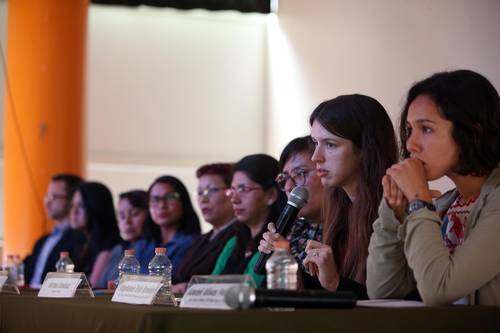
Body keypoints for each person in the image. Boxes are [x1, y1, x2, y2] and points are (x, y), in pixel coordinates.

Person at [367, 70, 500, 305]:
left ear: (470, 131)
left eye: (426, 129)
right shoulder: (446, 204)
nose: (410, 145)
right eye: (409, 130)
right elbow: (383, 291)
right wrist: (393, 211)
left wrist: (419, 201)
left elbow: (438, 289)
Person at [303, 94, 398, 298]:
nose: (315, 157)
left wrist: (335, 282)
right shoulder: (340, 206)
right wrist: (286, 263)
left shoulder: (395, 210)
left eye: (330, 144)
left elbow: (392, 303)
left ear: (366, 148)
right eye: (315, 143)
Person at [257, 136, 325, 289]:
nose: (288, 187)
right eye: (285, 178)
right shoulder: (292, 228)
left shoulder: (351, 227)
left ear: (326, 171)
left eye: (300, 173)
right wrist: (280, 255)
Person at [212, 154, 287, 287]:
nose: (234, 199)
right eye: (233, 190)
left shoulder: (278, 241)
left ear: (271, 195)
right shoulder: (234, 243)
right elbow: (210, 287)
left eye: (244, 189)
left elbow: (251, 288)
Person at [172, 163, 237, 293]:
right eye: (200, 192)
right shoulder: (200, 240)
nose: (203, 199)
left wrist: (185, 288)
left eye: (211, 190)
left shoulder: (240, 235)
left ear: (232, 192)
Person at [24, 174, 86, 287]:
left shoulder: (81, 239)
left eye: (55, 196)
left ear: (72, 199)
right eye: (47, 196)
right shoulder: (42, 241)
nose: (47, 202)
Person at [96, 190, 156, 289]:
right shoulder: (118, 249)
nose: (127, 221)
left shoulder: (152, 247)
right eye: (122, 216)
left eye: (135, 214)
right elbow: (102, 285)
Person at [146, 175, 201, 275]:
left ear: (183, 202)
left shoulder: (195, 244)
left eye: (170, 197)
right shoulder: (143, 244)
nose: (162, 205)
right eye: (155, 199)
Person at [70, 181, 120, 287]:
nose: (74, 211)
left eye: (81, 206)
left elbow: (91, 287)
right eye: (72, 205)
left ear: (96, 208)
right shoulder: (81, 242)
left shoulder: (109, 245)